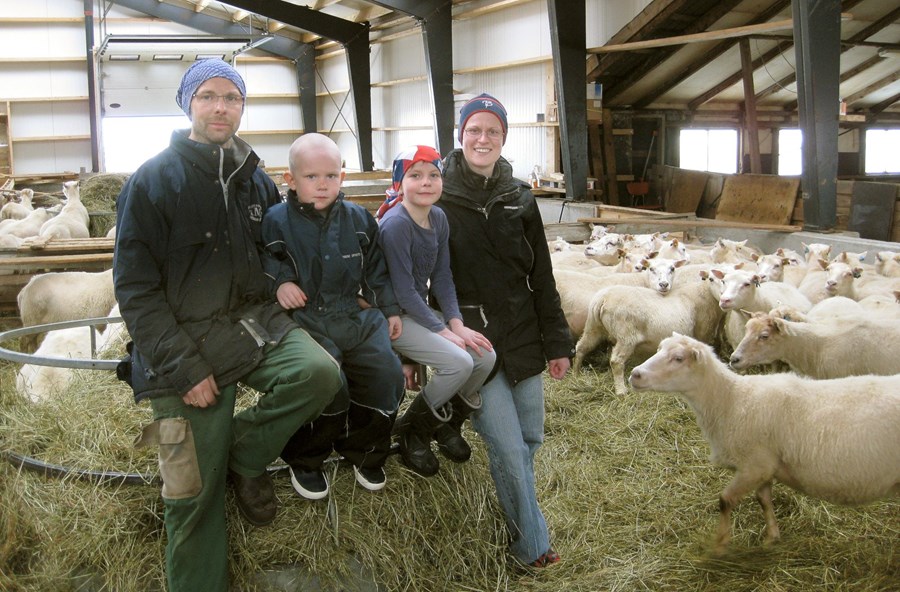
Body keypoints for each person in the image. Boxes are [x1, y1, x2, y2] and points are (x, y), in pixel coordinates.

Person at [113, 59, 343, 592]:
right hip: (177, 352)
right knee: (192, 497)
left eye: (232, 97)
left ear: (242, 106)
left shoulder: (254, 181)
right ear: (188, 104)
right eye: (208, 96)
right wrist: (184, 367)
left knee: (318, 372)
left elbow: (281, 254)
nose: (221, 107)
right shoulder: (151, 183)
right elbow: (136, 291)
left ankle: (244, 450)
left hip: (248, 329)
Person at [436, 93, 575, 568]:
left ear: (503, 138)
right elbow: (421, 273)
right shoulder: (437, 193)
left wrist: (557, 343)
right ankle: (530, 546)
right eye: (474, 129)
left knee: (530, 440)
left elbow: (542, 277)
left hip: (524, 334)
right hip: (475, 341)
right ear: (460, 135)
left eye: (492, 130)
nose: (482, 138)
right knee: (509, 446)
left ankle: (518, 518)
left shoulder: (520, 197)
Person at [261, 132, 405, 500]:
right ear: (290, 181)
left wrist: (387, 309)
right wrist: (280, 283)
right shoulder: (276, 221)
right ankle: (307, 459)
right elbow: (263, 260)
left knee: (386, 374)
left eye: (331, 176)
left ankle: (365, 451)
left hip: (354, 316)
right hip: (304, 318)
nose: (322, 185)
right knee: (330, 383)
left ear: (342, 175)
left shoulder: (358, 219)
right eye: (311, 177)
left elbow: (375, 269)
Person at [376, 145, 496, 477]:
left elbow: (442, 276)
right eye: (415, 176)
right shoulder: (395, 225)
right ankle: (412, 432)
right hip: (395, 315)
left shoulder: (438, 218)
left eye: (433, 175)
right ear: (400, 183)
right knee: (457, 362)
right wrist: (442, 331)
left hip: (419, 312)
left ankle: (445, 425)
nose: (426, 183)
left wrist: (456, 323)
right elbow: (402, 291)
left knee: (485, 356)